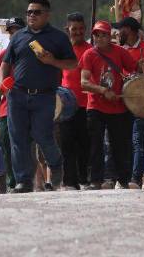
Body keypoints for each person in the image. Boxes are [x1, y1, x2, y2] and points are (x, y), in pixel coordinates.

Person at [0, 0, 77, 193]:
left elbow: (72, 63)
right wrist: (3, 81)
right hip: (17, 95)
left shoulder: (58, 37)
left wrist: (52, 61)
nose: (31, 15)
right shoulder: (18, 37)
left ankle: (56, 163)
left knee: (42, 136)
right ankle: (23, 181)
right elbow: (6, 63)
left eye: (36, 12)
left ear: (47, 15)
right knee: (18, 139)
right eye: (29, 12)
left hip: (44, 96)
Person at [80, 21, 137, 190]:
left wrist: (139, 70)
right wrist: (103, 90)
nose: (100, 37)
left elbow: (134, 70)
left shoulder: (121, 52)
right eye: (97, 35)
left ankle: (123, 180)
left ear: (109, 36)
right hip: (96, 106)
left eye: (103, 34)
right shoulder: (89, 54)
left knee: (120, 145)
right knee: (95, 144)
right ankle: (95, 180)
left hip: (118, 106)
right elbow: (83, 83)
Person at [115, 16, 144, 189]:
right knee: (122, 141)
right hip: (119, 102)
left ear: (131, 30)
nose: (118, 32)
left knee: (138, 142)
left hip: (141, 102)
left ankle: (134, 178)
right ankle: (121, 177)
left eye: (121, 29)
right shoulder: (116, 50)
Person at [0, 16, 25, 192]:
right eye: (10, 31)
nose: (13, 34)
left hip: (28, 107)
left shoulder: (33, 53)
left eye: (16, 30)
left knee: (25, 145)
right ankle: (12, 182)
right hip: (6, 109)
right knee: (6, 145)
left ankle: (26, 180)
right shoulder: (4, 55)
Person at [60, 12, 92, 190]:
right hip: (65, 107)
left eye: (81, 29)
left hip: (86, 104)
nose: (78, 32)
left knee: (84, 143)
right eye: (74, 29)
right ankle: (69, 181)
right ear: (67, 30)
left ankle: (84, 179)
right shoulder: (62, 51)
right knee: (66, 144)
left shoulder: (91, 50)